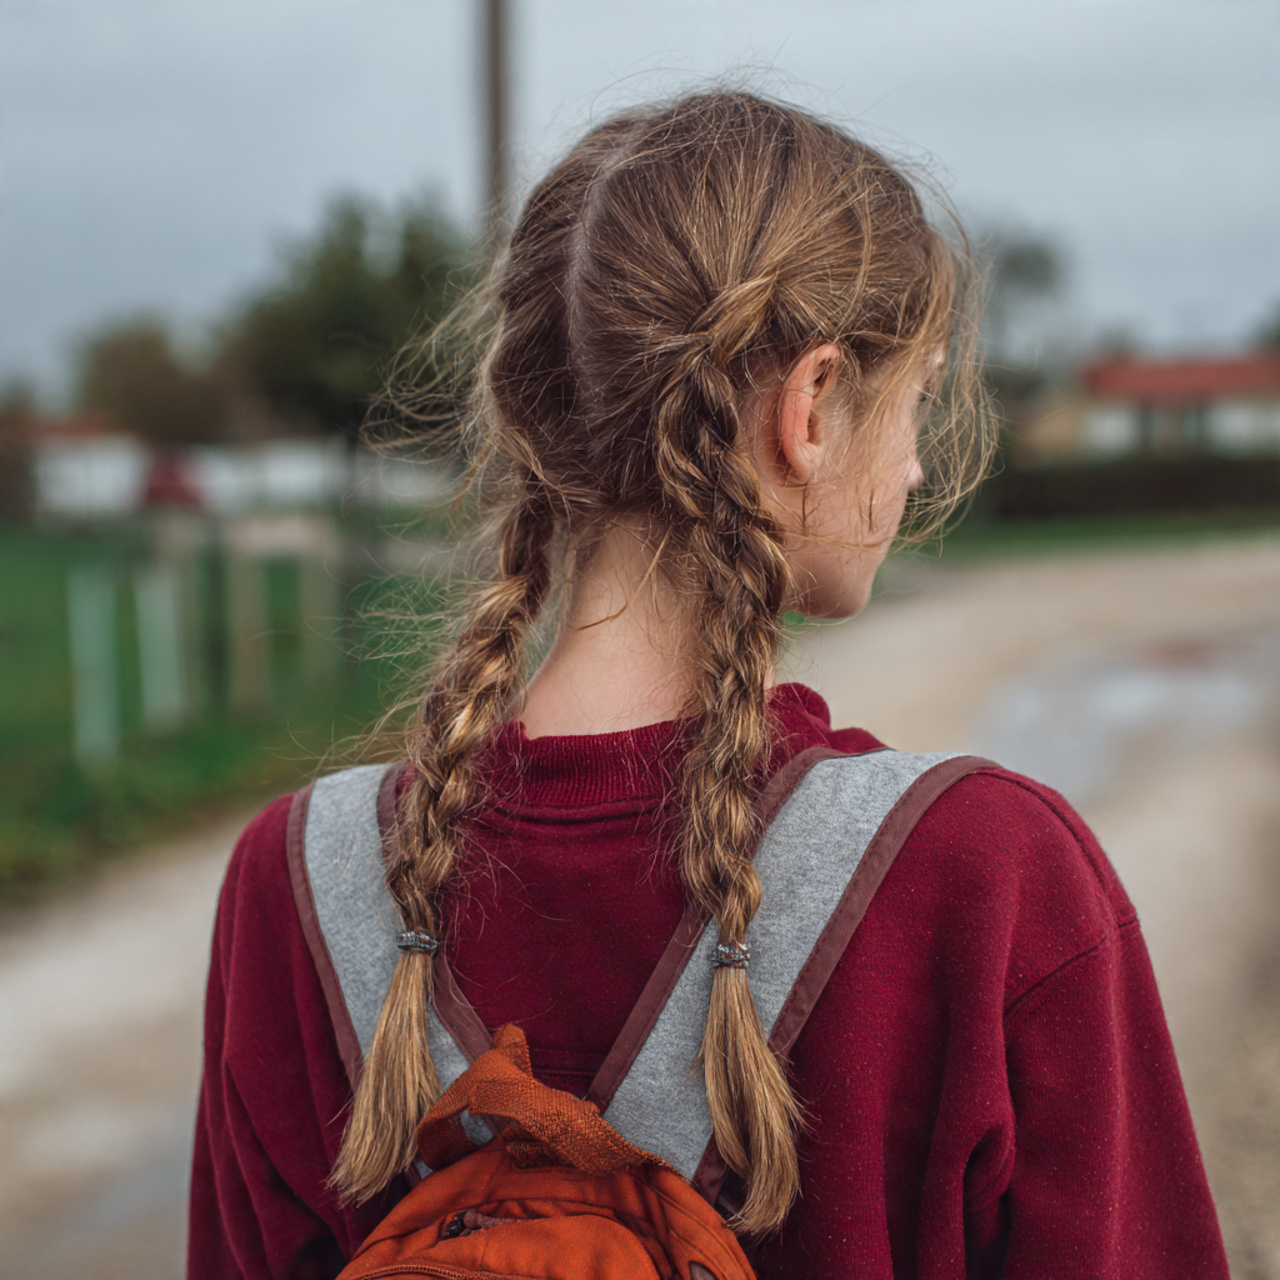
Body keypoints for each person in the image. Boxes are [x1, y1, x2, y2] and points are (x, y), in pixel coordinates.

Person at [189, 91, 1229, 1278]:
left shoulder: (292, 885)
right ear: (812, 406)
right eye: (918, 396)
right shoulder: (991, 872)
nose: (919, 459)